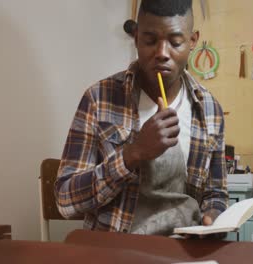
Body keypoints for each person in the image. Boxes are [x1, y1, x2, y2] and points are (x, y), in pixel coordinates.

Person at [55, 0, 227, 236]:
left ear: (193, 41)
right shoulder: (99, 99)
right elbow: (65, 201)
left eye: (175, 42)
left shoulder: (210, 111)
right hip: (115, 251)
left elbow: (215, 194)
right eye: (150, 40)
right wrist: (133, 153)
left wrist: (214, 215)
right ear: (136, 37)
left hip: (184, 251)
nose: (162, 54)